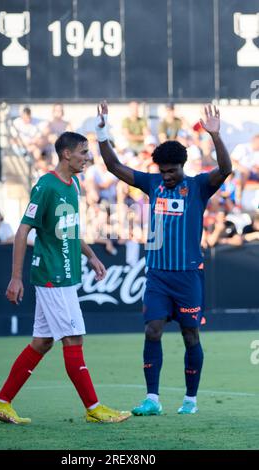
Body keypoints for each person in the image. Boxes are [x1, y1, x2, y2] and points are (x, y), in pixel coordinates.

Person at [96, 102, 232, 415]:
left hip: (187, 276)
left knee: (190, 334)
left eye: (172, 171)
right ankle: (152, 399)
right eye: (163, 171)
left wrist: (215, 135)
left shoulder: (197, 187)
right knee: (152, 330)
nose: (167, 176)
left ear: (182, 166)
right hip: (157, 275)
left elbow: (225, 170)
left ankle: (190, 400)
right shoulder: (152, 183)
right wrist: (102, 133)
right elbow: (114, 167)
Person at [0, 132, 131, 425]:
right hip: (52, 276)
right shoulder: (46, 186)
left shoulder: (73, 184)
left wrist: (90, 255)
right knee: (73, 337)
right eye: (82, 152)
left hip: (64, 273)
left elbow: (69, 231)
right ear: (66, 154)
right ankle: (94, 408)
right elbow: (22, 231)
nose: (87, 158)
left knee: (42, 342)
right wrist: (16, 278)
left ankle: (0, 403)